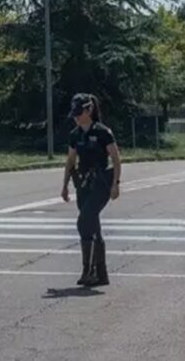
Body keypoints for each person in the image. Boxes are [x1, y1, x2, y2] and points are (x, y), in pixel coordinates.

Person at [61, 93, 122, 287]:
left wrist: (115, 183)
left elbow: (116, 158)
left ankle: (91, 270)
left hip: (101, 183)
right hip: (83, 185)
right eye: (75, 114)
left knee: (84, 220)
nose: (77, 117)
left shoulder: (103, 132)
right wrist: (64, 186)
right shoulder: (75, 134)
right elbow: (71, 161)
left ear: (89, 110)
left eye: (80, 113)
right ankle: (97, 273)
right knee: (91, 225)